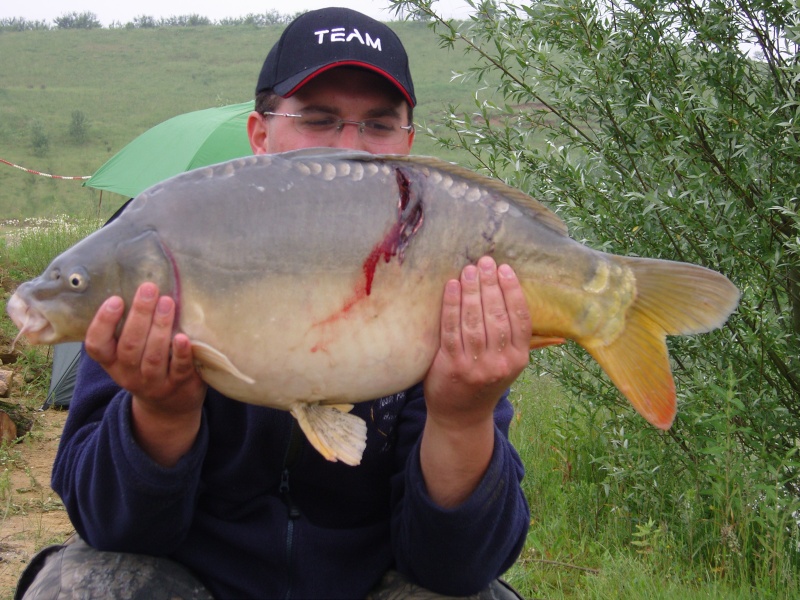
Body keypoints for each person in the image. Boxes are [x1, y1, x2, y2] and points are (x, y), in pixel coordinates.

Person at [16, 8, 531, 599]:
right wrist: (161, 415)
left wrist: (461, 419)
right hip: (197, 581)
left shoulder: (442, 254)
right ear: (261, 135)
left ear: (409, 145)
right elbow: (111, 527)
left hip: (369, 583)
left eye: (379, 126)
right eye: (318, 119)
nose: (348, 149)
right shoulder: (156, 248)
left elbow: (456, 567)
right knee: (77, 585)